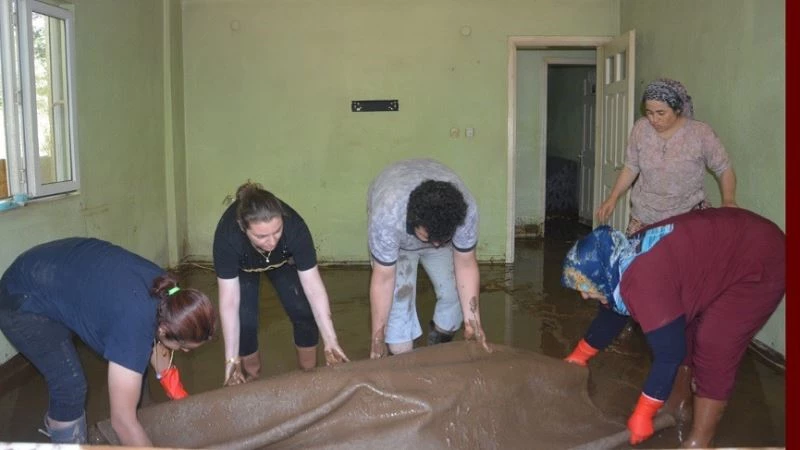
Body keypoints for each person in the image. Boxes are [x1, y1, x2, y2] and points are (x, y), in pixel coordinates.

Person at [560, 207, 785, 447]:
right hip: (727, 243)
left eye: (587, 288)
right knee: (677, 322)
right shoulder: (617, 260)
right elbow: (612, 314)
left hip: (762, 257)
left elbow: (669, 354)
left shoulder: (643, 281)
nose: (584, 296)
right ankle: (678, 403)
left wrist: (644, 411)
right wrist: (580, 356)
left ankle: (700, 440)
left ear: (604, 277)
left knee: (714, 342)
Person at [0, 237, 217, 446]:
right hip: (21, 297)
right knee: (70, 386)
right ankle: (67, 443)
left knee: (136, 364)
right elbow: (121, 422)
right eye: (183, 347)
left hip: (58, 270)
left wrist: (179, 396)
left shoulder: (168, 291)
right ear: (164, 329)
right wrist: (130, 425)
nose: (185, 352)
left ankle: (143, 424)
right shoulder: (133, 326)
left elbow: (155, 342)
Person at [214, 181, 348, 386]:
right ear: (243, 228)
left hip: (281, 262)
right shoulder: (228, 237)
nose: (271, 241)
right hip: (244, 268)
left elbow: (313, 287)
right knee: (245, 322)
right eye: (261, 236)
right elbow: (229, 302)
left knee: (303, 312)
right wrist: (230, 360)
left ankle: (309, 376)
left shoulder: (295, 227)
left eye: (277, 231)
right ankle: (251, 379)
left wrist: (331, 340)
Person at [367, 158, 490, 358]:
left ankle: (436, 350)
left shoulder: (465, 212)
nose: (435, 244)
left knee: (454, 299)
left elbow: (466, 264)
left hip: (438, 227)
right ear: (413, 221)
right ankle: (402, 356)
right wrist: (377, 337)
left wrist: (473, 322)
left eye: (441, 239)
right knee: (399, 333)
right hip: (399, 241)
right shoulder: (387, 217)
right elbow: (383, 278)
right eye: (428, 238)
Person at [596, 78, 738, 236]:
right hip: (644, 216)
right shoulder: (641, 128)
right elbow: (631, 167)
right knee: (641, 253)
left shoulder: (700, 133)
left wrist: (729, 200)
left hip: (688, 217)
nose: (653, 119)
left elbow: (724, 168)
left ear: (677, 109)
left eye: (661, 113)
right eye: (649, 112)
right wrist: (613, 197)